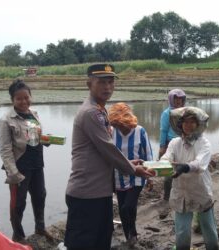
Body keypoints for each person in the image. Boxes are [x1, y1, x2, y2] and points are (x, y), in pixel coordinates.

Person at [64, 64, 153, 250]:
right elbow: (108, 149)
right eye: (101, 82)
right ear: (89, 83)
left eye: (111, 82)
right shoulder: (91, 112)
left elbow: (106, 151)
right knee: (84, 244)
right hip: (87, 193)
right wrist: (132, 169)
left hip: (99, 192)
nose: (107, 87)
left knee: (101, 240)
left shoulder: (100, 110)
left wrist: (129, 162)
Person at [0, 79, 53, 244]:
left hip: (36, 163)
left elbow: (34, 138)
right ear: (12, 100)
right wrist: (13, 173)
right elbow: (5, 150)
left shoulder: (33, 113)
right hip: (19, 166)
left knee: (40, 195)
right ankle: (18, 235)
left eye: (26, 97)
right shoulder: (5, 120)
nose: (24, 101)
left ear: (30, 96)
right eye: (19, 98)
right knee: (18, 202)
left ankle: (40, 227)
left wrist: (45, 139)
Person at [160, 106, 219, 250]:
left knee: (208, 228)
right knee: (182, 231)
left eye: (192, 122)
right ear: (180, 125)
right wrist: (160, 165)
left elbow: (199, 163)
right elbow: (166, 157)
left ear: (198, 125)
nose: (188, 125)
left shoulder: (203, 143)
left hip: (200, 190)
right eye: (185, 122)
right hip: (181, 192)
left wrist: (184, 167)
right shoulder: (175, 143)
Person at [108, 102, 153, 246]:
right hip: (119, 177)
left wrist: (150, 176)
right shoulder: (112, 132)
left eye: (124, 125)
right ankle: (130, 236)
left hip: (137, 176)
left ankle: (132, 234)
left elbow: (148, 153)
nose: (122, 128)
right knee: (123, 209)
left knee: (128, 206)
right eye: (119, 126)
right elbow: (109, 156)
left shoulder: (140, 131)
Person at [159, 89, 186, 205]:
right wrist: (162, 147)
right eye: (176, 99)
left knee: (184, 169)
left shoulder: (186, 112)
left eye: (180, 99)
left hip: (185, 143)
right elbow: (163, 131)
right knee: (169, 171)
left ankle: (182, 193)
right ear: (171, 100)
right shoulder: (167, 113)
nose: (178, 101)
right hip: (170, 143)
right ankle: (166, 196)